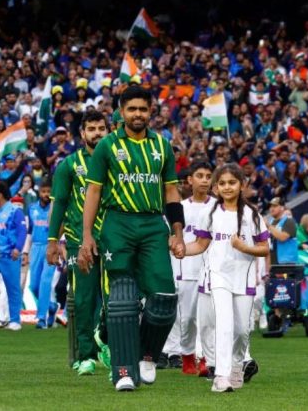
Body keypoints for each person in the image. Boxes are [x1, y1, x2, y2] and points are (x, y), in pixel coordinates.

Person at [81, 86, 185, 392]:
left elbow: (171, 191)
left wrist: (178, 233)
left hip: (153, 224)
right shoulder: (107, 146)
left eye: (142, 109)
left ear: (151, 111)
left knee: (164, 297)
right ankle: (123, 371)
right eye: (132, 109)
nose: (137, 114)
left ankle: (147, 355)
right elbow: (94, 191)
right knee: (123, 298)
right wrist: (87, 235)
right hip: (118, 223)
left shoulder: (162, 146)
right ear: (122, 111)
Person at [184, 163, 270, 392]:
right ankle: (220, 377)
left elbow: (264, 248)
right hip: (218, 276)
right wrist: (180, 249)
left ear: (242, 185)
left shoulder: (252, 215)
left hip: (244, 278)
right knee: (223, 323)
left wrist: (244, 247)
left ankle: (236, 366)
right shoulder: (209, 213)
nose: (227, 187)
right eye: (222, 183)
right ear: (216, 187)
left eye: (232, 182)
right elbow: (200, 245)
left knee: (241, 330)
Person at [47, 110, 108, 376]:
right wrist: (52, 240)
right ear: (82, 133)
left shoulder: (118, 162)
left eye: (101, 128)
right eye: (91, 129)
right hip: (77, 240)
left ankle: (107, 345)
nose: (97, 133)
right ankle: (86, 356)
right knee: (83, 299)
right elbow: (59, 204)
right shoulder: (69, 165)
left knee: (115, 298)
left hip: (113, 238)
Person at [162, 160, 214, 375]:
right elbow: (167, 236)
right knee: (187, 318)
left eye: (208, 176)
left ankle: (205, 359)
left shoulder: (217, 207)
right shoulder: (179, 208)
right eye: (200, 176)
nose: (204, 181)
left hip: (210, 271)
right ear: (190, 180)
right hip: (185, 270)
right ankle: (186, 354)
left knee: (207, 318)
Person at [0, 180, 27, 331]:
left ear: (0, 195)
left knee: (13, 289)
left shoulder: (15, 211)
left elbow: (22, 231)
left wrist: (18, 248)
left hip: (10, 256)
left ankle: (15, 320)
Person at [24, 181, 54, 329]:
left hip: (50, 246)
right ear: (39, 192)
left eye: (48, 192)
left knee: (45, 282)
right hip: (35, 247)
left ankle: (42, 318)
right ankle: (52, 307)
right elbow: (29, 231)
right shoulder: (32, 208)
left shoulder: (56, 208)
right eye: (43, 191)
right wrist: (25, 251)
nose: (46, 194)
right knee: (34, 286)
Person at [266, 198, 298, 264]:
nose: (271, 208)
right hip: (272, 262)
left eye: (275, 206)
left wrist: (268, 226)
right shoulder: (270, 222)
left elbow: (282, 238)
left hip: (286, 262)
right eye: (270, 206)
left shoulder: (289, 221)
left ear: (282, 208)